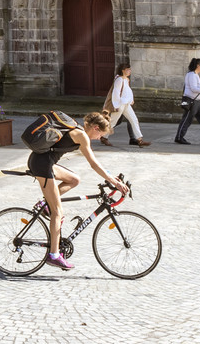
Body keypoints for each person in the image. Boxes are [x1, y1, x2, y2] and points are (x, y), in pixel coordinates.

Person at [26, 111, 128, 271]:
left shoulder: (78, 130)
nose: (99, 138)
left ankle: (45, 203)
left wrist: (110, 177)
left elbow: (96, 164)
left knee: (74, 179)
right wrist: (113, 182)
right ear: (95, 128)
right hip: (42, 166)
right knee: (57, 213)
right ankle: (53, 255)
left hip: (44, 162)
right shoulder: (81, 136)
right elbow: (94, 164)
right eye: (100, 134)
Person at [103, 62, 150, 147]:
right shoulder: (119, 80)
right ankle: (104, 137)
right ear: (123, 70)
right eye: (128, 69)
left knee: (134, 120)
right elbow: (115, 94)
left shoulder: (125, 79)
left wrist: (131, 100)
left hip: (126, 104)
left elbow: (127, 91)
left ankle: (140, 139)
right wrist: (116, 106)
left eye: (130, 69)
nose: (130, 71)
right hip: (120, 104)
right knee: (113, 122)